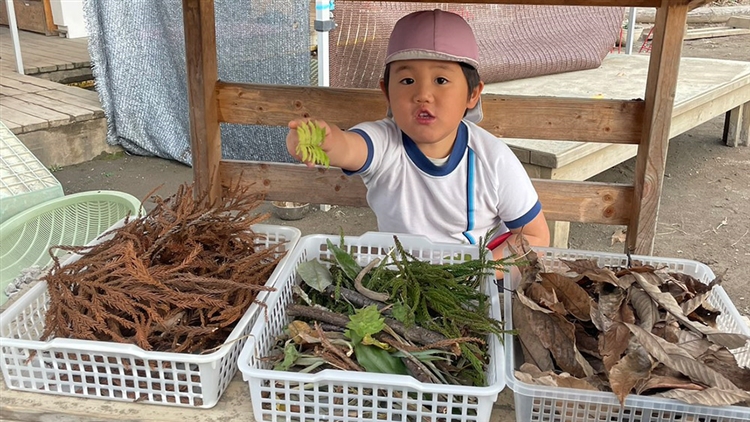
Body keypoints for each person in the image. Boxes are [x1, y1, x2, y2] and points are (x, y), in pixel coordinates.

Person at [287, 9, 550, 265]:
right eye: (407, 81)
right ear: (387, 92)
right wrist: (320, 141)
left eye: (441, 80)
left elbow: (535, 236)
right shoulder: (383, 143)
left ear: (472, 94)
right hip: (397, 279)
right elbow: (347, 147)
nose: (423, 94)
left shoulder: (493, 160)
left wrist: (481, 274)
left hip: (474, 282)